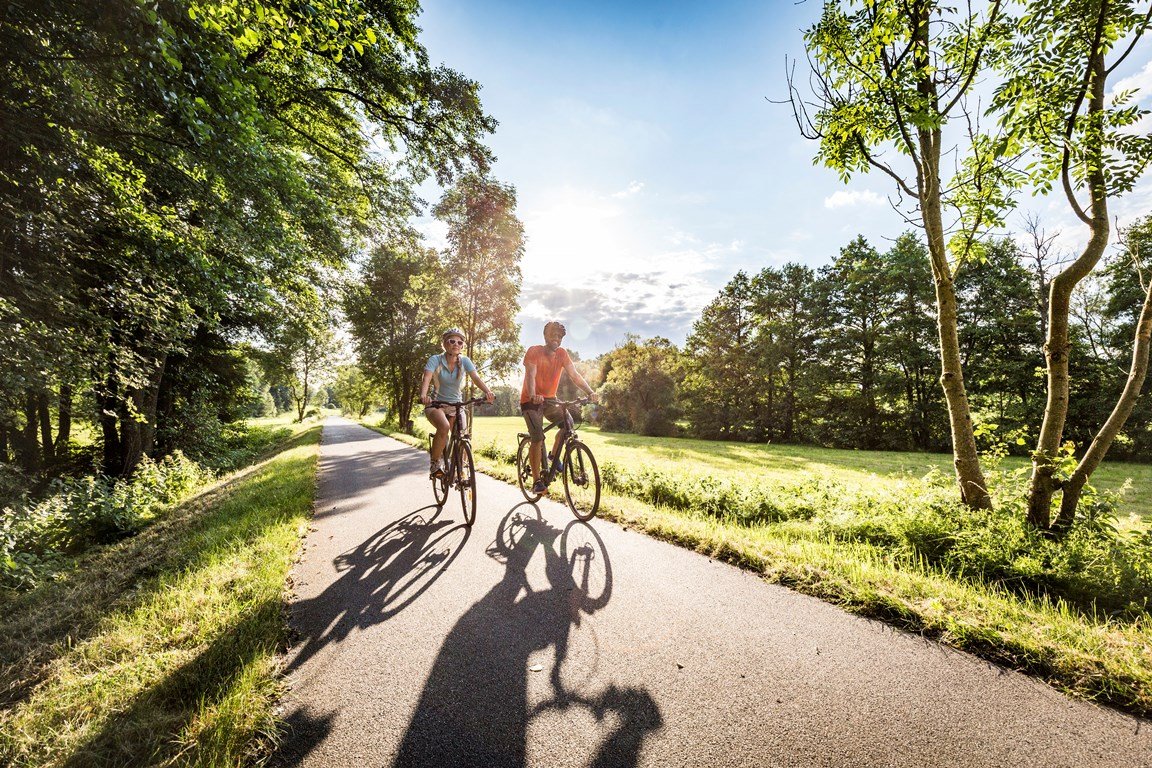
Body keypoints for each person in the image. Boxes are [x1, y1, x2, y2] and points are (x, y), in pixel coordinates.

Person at [520, 320, 598, 494]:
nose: (556, 338)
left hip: (550, 400)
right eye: (553, 335)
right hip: (530, 401)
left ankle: (552, 457)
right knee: (538, 438)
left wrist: (590, 392)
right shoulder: (534, 351)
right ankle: (537, 481)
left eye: (559, 336)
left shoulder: (562, 354)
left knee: (568, 424)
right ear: (545, 336)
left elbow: (575, 375)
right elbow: (530, 375)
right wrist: (533, 394)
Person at [420, 328, 495, 478]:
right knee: (444, 427)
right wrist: (423, 395)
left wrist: (488, 392)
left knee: (464, 436)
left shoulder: (465, 361)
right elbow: (427, 377)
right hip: (436, 404)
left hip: (456, 404)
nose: (456, 344)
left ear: (462, 346)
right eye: (452, 341)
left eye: (459, 342)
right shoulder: (435, 359)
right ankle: (435, 464)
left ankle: (460, 470)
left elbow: (476, 378)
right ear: (444, 344)